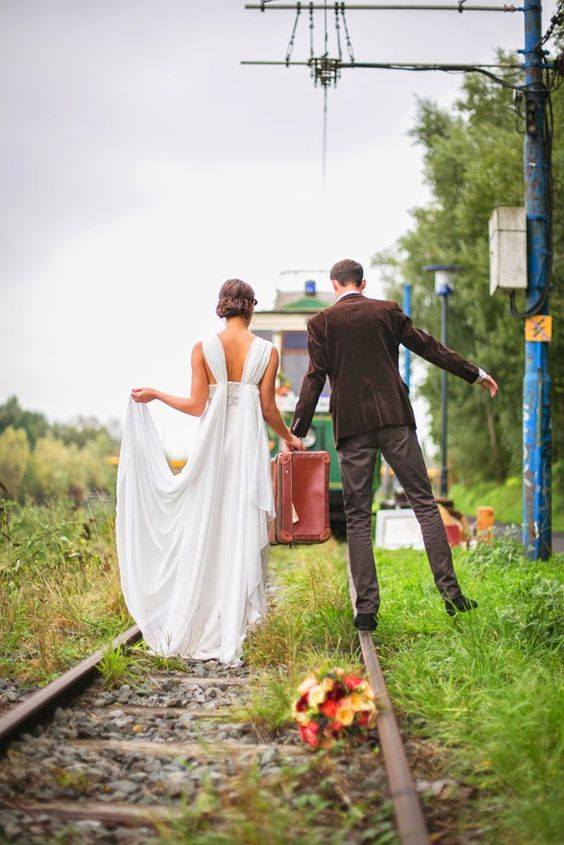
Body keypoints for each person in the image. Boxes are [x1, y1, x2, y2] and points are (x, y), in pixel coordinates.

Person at [290, 259, 498, 631]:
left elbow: (314, 378)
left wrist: (298, 430)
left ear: (334, 285)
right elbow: (429, 348)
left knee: (357, 517)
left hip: (352, 427)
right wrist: (475, 373)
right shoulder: (386, 311)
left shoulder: (321, 323)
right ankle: (452, 597)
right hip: (395, 421)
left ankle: (366, 611)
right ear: (362, 283)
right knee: (424, 505)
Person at [116, 279, 303, 665]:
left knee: (208, 524)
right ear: (250, 307)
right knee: (238, 525)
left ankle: (201, 615)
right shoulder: (267, 352)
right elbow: (268, 410)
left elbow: (197, 406)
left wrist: (156, 394)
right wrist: (290, 438)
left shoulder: (203, 348)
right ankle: (234, 621)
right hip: (247, 450)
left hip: (212, 450)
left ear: (222, 306)